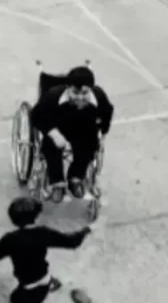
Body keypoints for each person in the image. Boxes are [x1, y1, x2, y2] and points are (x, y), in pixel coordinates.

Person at [30, 65, 114, 203]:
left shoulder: (99, 97)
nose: (80, 97)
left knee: (90, 146)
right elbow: (36, 116)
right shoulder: (52, 96)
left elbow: (107, 113)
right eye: (75, 93)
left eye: (85, 93)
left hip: (84, 128)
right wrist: (54, 133)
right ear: (67, 88)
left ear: (91, 89)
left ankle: (75, 177)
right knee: (50, 147)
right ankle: (57, 182)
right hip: (58, 127)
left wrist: (103, 131)